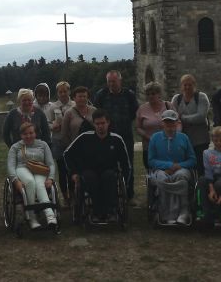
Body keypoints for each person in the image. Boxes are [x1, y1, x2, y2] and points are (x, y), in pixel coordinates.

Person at [64, 110, 131, 222]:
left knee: (109, 176)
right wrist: (74, 172)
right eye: (97, 124)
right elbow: (67, 154)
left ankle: (111, 211)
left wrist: (125, 180)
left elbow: (125, 163)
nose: (100, 126)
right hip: (89, 171)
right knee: (90, 178)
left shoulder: (116, 139)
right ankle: (96, 211)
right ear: (94, 124)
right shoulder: (85, 137)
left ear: (108, 123)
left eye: (103, 123)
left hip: (109, 171)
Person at [93, 70, 139, 200]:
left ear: (120, 80)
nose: (111, 84)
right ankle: (110, 193)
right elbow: (96, 113)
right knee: (108, 165)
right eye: (109, 81)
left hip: (126, 136)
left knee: (128, 164)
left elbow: (134, 112)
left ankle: (129, 194)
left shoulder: (129, 95)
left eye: (114, 81)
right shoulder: (101, 95)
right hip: (107, 137)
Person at [148, 110, 196, 225]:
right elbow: (151, 160)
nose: (170, 126)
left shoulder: (184, 138)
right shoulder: (155, 138)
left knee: (181, 177)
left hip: (181, 169)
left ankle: (183, 212)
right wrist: (168, 166)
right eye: (167, 123)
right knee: (162, 178)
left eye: (172, 123)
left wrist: (178, 166)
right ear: (162, 124)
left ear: (177, 123)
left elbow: (192, 160)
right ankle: (167, 214)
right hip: (161, 170)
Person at [7, 122, 57, 229]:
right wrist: (15, 180)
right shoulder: (15, 147)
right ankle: (32, 217)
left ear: (35, 133)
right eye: (25, 134)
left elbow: (51, 163)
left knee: (40, 184)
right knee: (30, 182)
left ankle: (50, 215)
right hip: (22, 168)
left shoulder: (43, 145)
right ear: (21, 135)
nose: (28, 136)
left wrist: (51, 178)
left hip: (40, 169)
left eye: (31, 133)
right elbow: (10, 166)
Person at [171, 74, 210, 174]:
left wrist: (183, 118)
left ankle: (200, 187)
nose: (187, 87)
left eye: (190, 84)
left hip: (200, 140)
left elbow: (201, 117)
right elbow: (173, 116)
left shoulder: (201, 97)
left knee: (200, 166)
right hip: (182, 140)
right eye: (185, 85)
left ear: (194, 85)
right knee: (184, 166)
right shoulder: (176, 99)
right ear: (181, 86)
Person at [47, 81, 75, 203]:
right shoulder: (53, 106)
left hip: (72, 141)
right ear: (57, 93)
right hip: (58, 141)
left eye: (65, 91)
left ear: (69, 91)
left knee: (72, 169)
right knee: (62, 170)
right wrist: (52, 126)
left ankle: (74, 195)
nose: (63, 93)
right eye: (60, 91)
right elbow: (47, 122)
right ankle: (65, 197)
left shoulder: (74, 104)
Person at [136, 81, 175, 169]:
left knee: (168, 170)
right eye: (148, 94)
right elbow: (138, 127)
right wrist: (147, 136)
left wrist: (174, 135)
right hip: (149, 146)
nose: (150, 96)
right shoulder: (142, 109)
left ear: (159, 94)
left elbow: (177, 122)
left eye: (153, 93)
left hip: (167, 145)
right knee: (151, 172)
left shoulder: (168, 106)